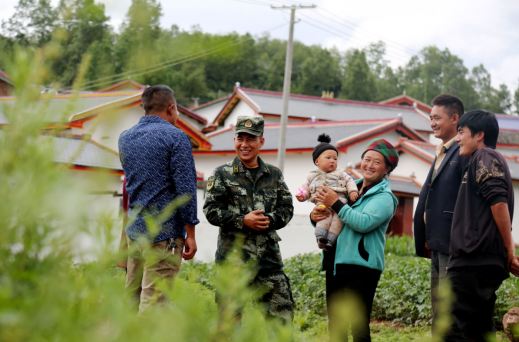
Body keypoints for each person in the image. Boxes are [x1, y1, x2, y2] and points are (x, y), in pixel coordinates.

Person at [203, 116, 295, 323]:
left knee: (281, 322)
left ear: (261, 141)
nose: (244, 145)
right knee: (230, 324)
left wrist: (270, 220)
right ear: (234, 140)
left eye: (251, 139)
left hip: (268, 261)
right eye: (240, 138)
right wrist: (242, 220)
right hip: (233, 262)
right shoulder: (222, 174)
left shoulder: (274, 174)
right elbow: (211, 210)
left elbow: (287, 208)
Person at [118, 85, 198, 312]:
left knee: (131, 299)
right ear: (172, 108)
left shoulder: (125, 138)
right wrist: (190, 233)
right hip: (164, 236)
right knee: (154, 304)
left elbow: (130, 187)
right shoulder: (177, 138)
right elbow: (186, 190)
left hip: (134, 233)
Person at [312, 139, 399, 342]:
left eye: (377, 162)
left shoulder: (385, 198)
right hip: (335, 262)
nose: (369, 165)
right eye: (366, 159)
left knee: (358, 328)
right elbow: (333, 218)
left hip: (362, 267)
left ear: (387, 168)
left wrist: (335, 203)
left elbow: (363, 223)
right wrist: (315, 216)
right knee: (336, 326)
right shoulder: (349, 188)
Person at [446, 110, 519, 341]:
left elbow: (498, 204)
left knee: (457, 330)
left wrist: (510, 251)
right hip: (476, 260)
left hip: (474, 260)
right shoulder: (475, 162)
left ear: (479, 135)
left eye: (461, 132)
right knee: (477, 328)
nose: (457, 138)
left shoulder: (486, 156)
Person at [413, 94, 466, 331]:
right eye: (431, 118)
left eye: (437, 118)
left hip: (451, 241)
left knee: (447, 307)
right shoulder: (442, 149)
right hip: (435, 240)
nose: (432, 123)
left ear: (455, 118)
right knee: (438, 306)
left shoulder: (464, 151)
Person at [296, 134, 359, 250]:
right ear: (317, 161)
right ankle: (320, 238)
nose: (332, 161)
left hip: (340, 202)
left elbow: (350, 181)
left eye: (335, 159)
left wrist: (352, 191)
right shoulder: (312, 175)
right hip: (322, 203)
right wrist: (302, 195)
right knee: (323, 217)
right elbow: (305, 187)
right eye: (328, 158)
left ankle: (330, 240)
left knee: (338, 221)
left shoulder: (340, 173)